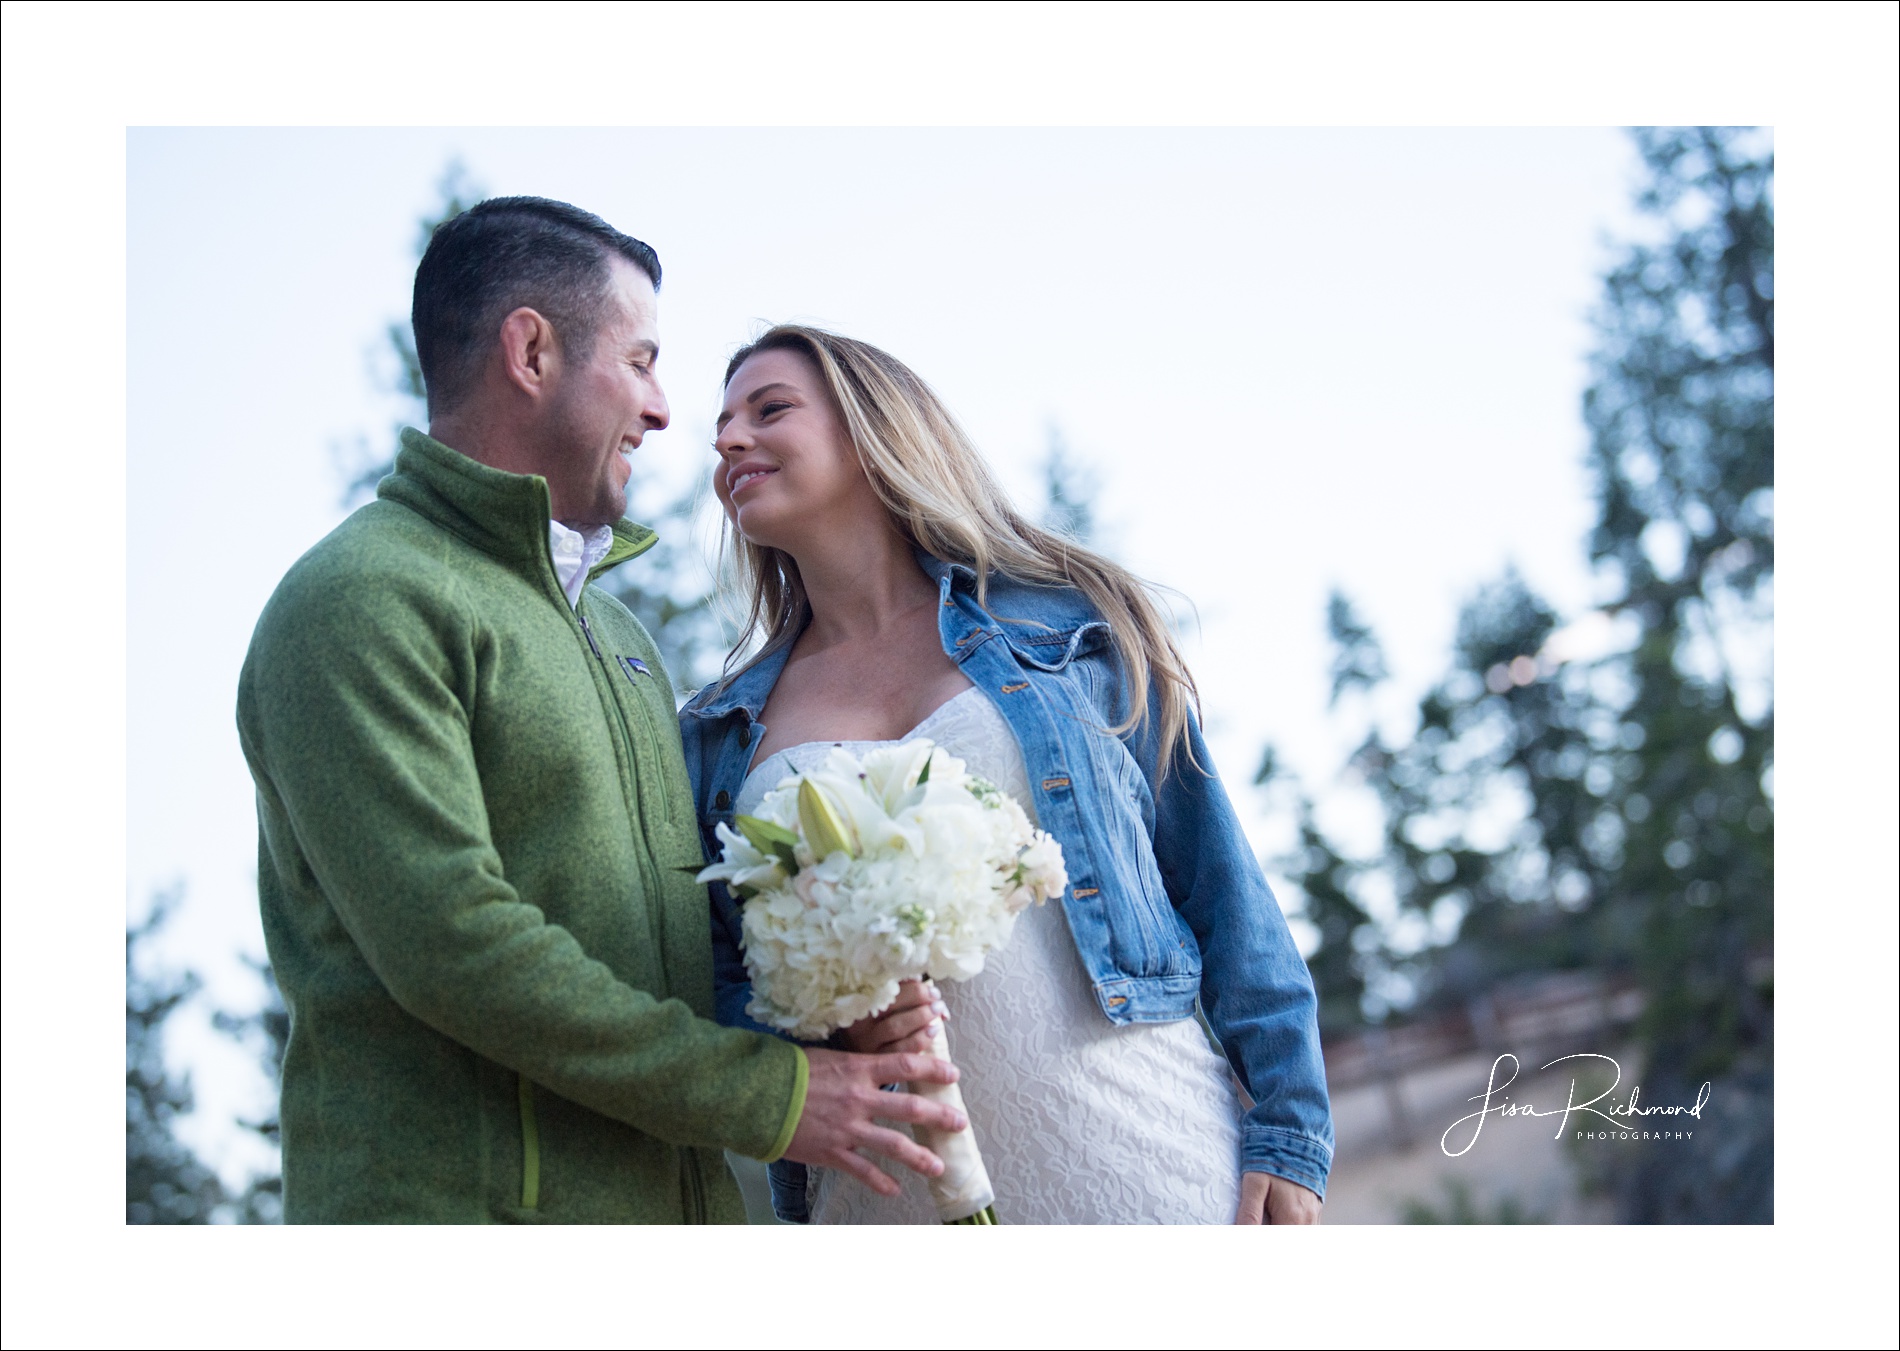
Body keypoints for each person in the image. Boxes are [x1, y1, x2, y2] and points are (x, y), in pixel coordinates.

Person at [236, 200, 966, 1223]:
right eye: (641, 360)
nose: (668, 411)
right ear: (530, 350)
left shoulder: (619, 634)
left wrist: (835, 1022)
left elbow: (674, 955)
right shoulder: (361, 598)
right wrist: (774, 1097)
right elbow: (457, 945)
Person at [678, 325, 1335, 1224]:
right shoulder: (714, 735)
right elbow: (712, 978)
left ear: (874, 431)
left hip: (1149, 1167)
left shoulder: (1069, 629)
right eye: (721, 426)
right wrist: (814, 1042)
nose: (726, 441)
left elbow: (1217, 876)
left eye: (770, 409)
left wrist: (1290, 1129)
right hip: (887, 1210)